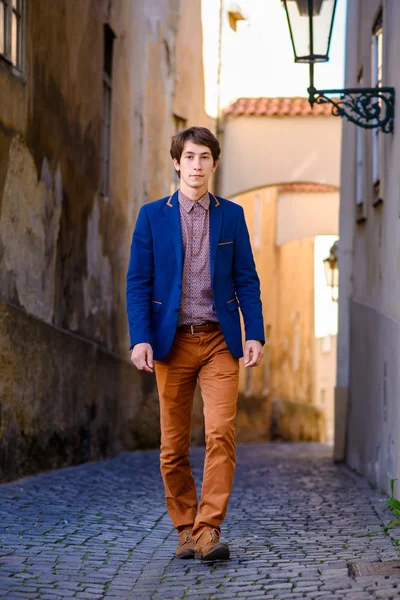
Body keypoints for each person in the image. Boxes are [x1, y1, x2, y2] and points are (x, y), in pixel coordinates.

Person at [126, 126, 264, 561]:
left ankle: (208, 529)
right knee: (172, 447)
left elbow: (247, 279)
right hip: (171, 344)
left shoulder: (232, 216)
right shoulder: (152, 216)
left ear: (214, 164)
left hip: (220, 342)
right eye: (189, 157)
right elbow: (138, 282)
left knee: (221, 432)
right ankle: (185, 528)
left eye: (205, 157)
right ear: (176, 162)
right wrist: (140, 338)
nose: (197, 165)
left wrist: (254, 332)